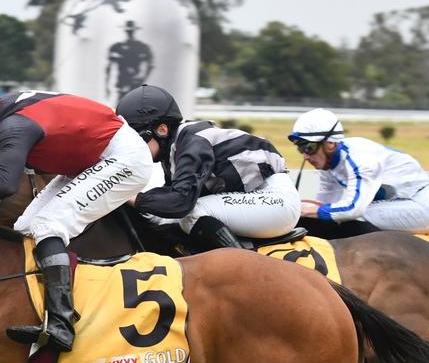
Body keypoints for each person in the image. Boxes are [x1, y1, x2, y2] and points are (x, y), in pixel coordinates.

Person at [0, 70, 153, 352]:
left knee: (48, 225)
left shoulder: (14, 127)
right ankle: (41, 307)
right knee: (25, 227)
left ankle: (62, 324)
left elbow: (3, 184)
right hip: (92, 160)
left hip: (123, 158)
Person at [115, 84, 301, 253]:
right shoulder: (174, 149)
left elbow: (180, 203)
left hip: (275, 201)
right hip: (256, 198)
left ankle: (242, 269)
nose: (134, 150)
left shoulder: (192, 141)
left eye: (137, 141)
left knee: (193, 213)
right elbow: (167, 202)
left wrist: (131, 197)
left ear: (162, 129)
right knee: (165, 219)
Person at [289, 107, 429, 238]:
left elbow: (352, 209)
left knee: (352, 218)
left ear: (330, 144)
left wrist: (310, 210)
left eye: (309, 147)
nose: (305, 155)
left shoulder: (361, 159)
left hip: (419, 206)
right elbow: (325, 204)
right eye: (301, 148)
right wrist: (306, 209)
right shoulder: (326, 163)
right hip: (392, 204)